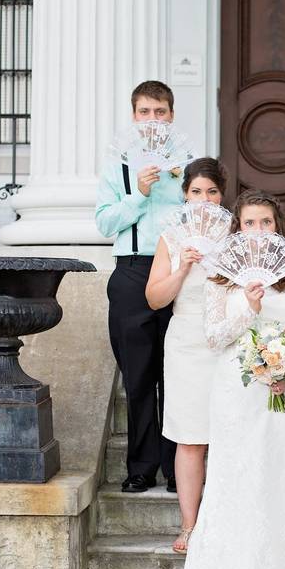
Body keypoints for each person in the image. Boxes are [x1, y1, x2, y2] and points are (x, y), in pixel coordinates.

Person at [133, 190, 285, 569]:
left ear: (279, 227)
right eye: (250, 223)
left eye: (266, 223)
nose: (258, 231)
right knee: (240, 480)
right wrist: (247, 309)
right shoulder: (220, 274)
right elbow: (215, 337)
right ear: (238, 228)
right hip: (239, 389)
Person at [96, 80, 184, 493]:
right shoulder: (118, 167)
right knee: (138, 374)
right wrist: (138, 194)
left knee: (176, 373)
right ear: (134, 117)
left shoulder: (186, 164)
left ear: (171, 116)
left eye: (160, 112)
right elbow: (104, 223)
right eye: (145, 112)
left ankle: (174, 467)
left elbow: (202, 214)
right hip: (131, 271)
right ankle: (141, 467)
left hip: (177, 273)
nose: (153, 120)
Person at [145, 158, 229, 552]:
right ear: (185, 195)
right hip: (186, 345)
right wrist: (181, 269)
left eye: (212, 192)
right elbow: (155, 297)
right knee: (191, 438)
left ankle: (228, 520)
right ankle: (190, 524)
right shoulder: (172, 238)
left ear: (221, 196)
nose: (204, 199)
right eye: (197, 192)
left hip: (227, 343)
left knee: (230, 436)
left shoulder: (234, 234)